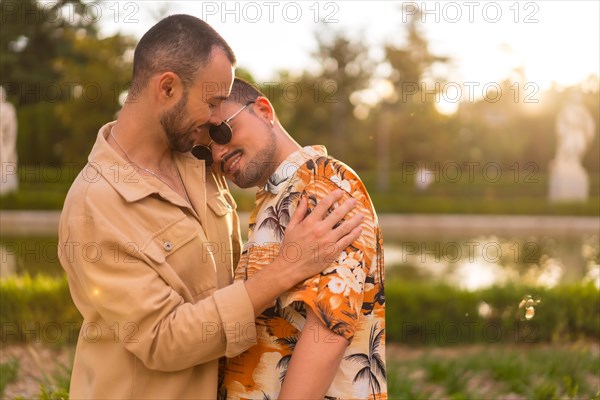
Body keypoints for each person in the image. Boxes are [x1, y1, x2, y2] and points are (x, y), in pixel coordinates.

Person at [57, 15, 362, 399]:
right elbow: (162, 339)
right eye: (213, 100)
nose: (218, 118)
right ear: (167, 87)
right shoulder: (95, 203)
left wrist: (313, 178)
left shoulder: (198, 160)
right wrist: (285, 270)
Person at [198, 78, 386, 399]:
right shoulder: (272, 198)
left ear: (264, 110)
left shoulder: (324, 181)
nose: (217, 153)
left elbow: (328, 329)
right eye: (204, 150)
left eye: (221, 131)